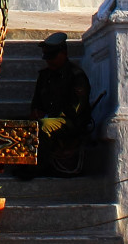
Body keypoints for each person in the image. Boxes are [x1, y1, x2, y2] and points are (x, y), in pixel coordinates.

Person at [28, 32, 92, 177]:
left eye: (53, 57)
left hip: (68, 122)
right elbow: (36, 101)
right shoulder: (44, 76)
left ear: (63, 53)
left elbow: (74, 110)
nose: (49, 61)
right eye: (47, 57)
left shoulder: (76, 76)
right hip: (47, 117)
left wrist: (48, 115)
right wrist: (35, 111)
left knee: (44, 126)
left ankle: (40, 167)